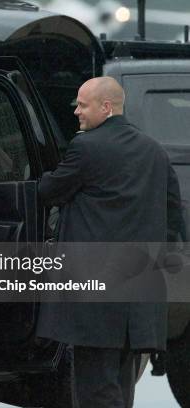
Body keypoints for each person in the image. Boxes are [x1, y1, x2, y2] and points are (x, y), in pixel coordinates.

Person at [37, 76, 181, 407]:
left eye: (82, 104)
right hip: (141, 294)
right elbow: (174, 216)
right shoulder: (155, 151)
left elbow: (49, 192)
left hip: (96, 295)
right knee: (121, 383)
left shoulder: (87, 146)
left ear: (106, 107)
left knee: (95, 389)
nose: (76, 111)